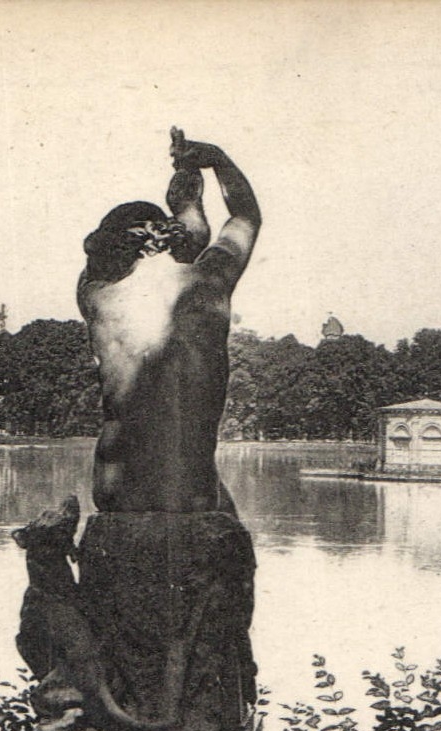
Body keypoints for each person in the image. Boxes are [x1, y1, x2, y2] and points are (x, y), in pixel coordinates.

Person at [78, 129, 261, 514]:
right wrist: (216, 160)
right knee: (220, 509)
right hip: (188, 497)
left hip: (115, 498)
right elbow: (245, 215)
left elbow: (186, 234)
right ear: (160, 236)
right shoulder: (208, 281)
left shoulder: (96, 295)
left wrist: (181, 208)